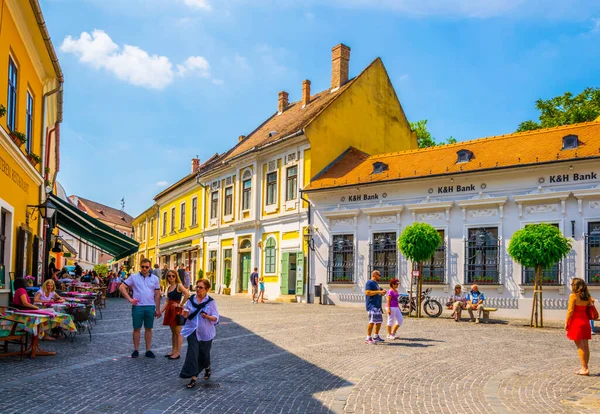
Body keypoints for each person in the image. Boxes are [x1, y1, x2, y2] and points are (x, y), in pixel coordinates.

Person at [180, 278, 219, 389]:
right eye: (197, 287)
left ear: (206, 289)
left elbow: (216, 317)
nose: (198, 289)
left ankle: (207, 367)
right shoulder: (191, 299)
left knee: (204, 355)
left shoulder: (210, 302)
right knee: (193, 354)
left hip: (206, 333)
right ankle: (193, 378)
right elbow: (187, 312)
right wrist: (184, 314)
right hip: (192, 330)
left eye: (201, 287)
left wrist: (207, 316)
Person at [118, 258, 161, 358]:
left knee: (148, 328)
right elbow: (121, 287)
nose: (144, 269)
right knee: (136, 328)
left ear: (150, 267)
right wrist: (130, 299)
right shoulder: (134, 277)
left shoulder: (155, 279)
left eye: (147, 267)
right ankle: (136, 350)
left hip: (150, 306)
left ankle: (148, 350)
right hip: (138, 307)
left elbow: (157, 294)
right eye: (143, 267)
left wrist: (158, 309)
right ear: (140, 266)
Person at [566, 278, 594, 376]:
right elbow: (591, 304)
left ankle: (584, 368)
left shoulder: (573, 296)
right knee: (586, 346)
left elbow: (570, 311)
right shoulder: (587, 297)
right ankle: (585, 367)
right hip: (586, 322)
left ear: (575, 286)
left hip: (576, 322)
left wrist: (566, 323)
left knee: (580, 347)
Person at [160, 270, 190, 360]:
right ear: (167, 277)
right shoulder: (168, 287)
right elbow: (167, 301)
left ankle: (177, 352)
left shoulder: (179, 285)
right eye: (169, 276)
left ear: (176, 276)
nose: (171, 278)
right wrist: (160, 311)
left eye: (173, 276)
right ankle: (173, 350)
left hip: (176, 311)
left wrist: (180, 305)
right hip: (169, 310)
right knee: (173, 332)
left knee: (178, 333)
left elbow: (187, 294)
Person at [365, 270, 387, 344]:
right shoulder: (369, 282)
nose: (380, 277)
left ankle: (376, 336)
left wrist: (382, 292)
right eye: (379, 275)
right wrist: (378, 292)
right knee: (372, 321)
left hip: (377, 305)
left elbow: (378, 293)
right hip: (372, 305)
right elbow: (367, 292)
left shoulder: (376, 284)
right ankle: (368, 338)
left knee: (379, 321)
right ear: (374, 274)